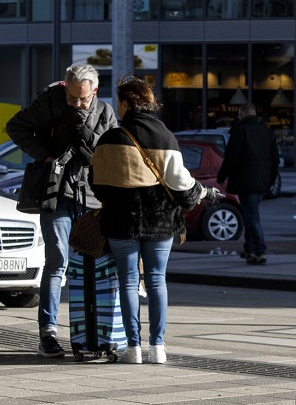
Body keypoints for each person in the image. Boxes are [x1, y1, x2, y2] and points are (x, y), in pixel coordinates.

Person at [91, 77, 219, 364]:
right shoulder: (165, 136)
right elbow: (181, 183)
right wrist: (203, 192)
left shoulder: (110, 139)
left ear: (125, 104)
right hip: (160, 220)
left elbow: (96, 184)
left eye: (119, 102)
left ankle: (133, 348)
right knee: (157, 280)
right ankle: (157, 347)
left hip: (121, 221)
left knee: (128, 281)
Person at [6, 63, 118, 358]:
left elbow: (114, 154)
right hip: (56, 195)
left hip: (92, 199)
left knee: (93, 266)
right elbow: (15, 126)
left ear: (95, 90)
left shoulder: (105, 112)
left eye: (82, 98)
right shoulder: (49, 103)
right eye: (71, 97)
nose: (76, 103)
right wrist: (45, 156)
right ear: (65, 88)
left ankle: (94, 333)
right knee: (57, 263)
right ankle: (49, 334)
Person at [218, 101, 279, 265]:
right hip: (263, 182)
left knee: (252, 218)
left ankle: (260, 250)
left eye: (239, 114)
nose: (238, 117)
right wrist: (271, 180)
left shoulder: (240, 131)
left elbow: (231, 158)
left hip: (246, 181)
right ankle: (249, 249)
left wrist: (221, 176)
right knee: (251, 215)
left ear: (243, 114)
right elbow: (275, 159)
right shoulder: (267, 132)